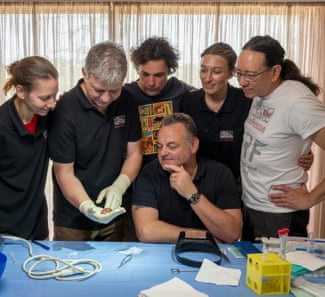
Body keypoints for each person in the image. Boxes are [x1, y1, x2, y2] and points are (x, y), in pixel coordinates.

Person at [180, 42, 313, 190]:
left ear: (232, 73)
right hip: (197, 184)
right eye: (203, 70)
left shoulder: (248, 101)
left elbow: (277, 128)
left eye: (216, 72)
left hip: (238, 188)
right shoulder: (188, 102)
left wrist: (304, 151)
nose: (207, 78)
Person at [48, 41, 142, 241]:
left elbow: (135, 153)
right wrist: (86, 206)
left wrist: (120, 185)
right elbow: (64, 172)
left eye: (114, 91)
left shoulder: (128, 101)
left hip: (113, 214)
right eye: (98, 90)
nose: (106, 98)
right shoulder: (65, 110)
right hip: (73, 220)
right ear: (85, 73)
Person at [236, 35, 325, 240]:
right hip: (251, 207)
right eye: (239, 73)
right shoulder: (258, 91)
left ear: (275, 72)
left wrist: (309, 199)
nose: (242, 82)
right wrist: (302, 150)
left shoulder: (298, 102)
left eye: (250, 75)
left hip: (279, 215)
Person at [0, 56, 58, 240]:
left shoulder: (48, 116)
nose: (52, 103)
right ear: (21, 91)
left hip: (36, 226)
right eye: (45, 97)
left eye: (54, 95)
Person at [132, 113, 242, 244]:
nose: (162, 153)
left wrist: (192, 194)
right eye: (159, 146)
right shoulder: (149, 174)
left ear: (193, 145)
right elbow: (146, 231)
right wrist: (203, 236)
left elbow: (233, 233)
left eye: (172, 146)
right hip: (163, 256)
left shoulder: (220, 174)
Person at [124, 37, 194, 167]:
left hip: (172, 171)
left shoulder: (179, 89)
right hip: (137, 173)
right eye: (145, 74)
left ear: (169, 71)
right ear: (137, 70)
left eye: (158, 75)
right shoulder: (125, 95)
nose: (151, 83)